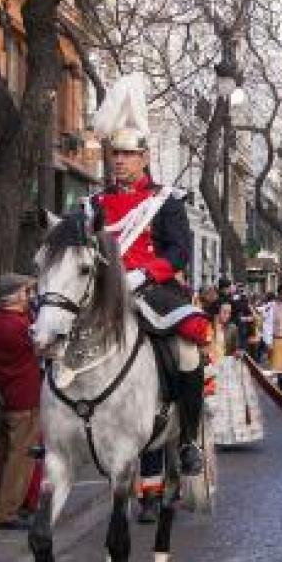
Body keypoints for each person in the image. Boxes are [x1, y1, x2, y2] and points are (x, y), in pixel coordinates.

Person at [88, 118, 211, 476]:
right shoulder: (94, 203)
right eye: (116, 154)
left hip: (154, 291)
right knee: (58, 336)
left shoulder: (164, 201)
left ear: (144, 158)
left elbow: (179, 252)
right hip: (104, 293)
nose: (119, 160)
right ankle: (59, 430)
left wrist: (145, 273)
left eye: (128, 154)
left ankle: (188, 439)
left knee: (187, 353)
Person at [0, 274, 41, 530]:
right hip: (25, 397)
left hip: (2, 395)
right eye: (26, 292)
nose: (30, 296)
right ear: (16, 295)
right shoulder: (22, 325)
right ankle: (5, 512)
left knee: (1, 456)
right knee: (20, 459)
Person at [206, 301, 265, 445]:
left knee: (230, 403)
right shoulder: (208, 327)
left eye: (229, 312)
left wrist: (238, 351)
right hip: (210, 367)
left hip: (227, 367)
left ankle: (231, 436)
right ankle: (212, 435)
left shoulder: (233, 328)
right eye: (224, 312)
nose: (227, 315)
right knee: (213, 403)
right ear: (216, 312)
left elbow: (236, 347)